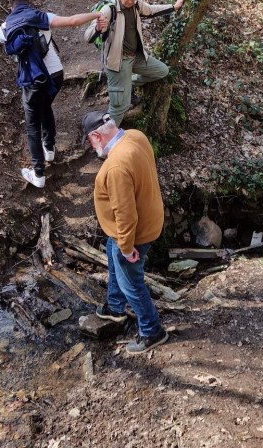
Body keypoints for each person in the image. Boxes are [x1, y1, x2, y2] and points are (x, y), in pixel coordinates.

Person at [0, 0, 102, 189]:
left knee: (32, 125)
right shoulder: (41, 16)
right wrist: (96, 14)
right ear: (28, 5)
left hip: (33, 81)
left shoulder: (6, 27)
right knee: (46, 106)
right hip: (56, 75)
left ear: (11, 8)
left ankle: (38, 174)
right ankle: (49, 148)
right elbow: (73, 21)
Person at [82, 111, 168, 355]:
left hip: (134, 233)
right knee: (112, 257)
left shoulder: (116, 166)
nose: (91, 147)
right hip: (145, 220)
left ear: (97, 136)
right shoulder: (135, 136)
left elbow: (125, 213)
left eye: (89, 141)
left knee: (131, 282)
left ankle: (152, 331)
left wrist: (127, 247)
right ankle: (114, 307)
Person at [95, 0, 185, 125]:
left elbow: (151, 10)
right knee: (120, 107)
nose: (130, 1)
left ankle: (128, 84)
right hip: (118, 62)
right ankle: (106, 140)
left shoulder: (136, 4)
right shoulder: (109, 10)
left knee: (162, 71)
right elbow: (88, 35)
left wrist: (174, 6)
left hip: (136, 56)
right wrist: (98, 28)